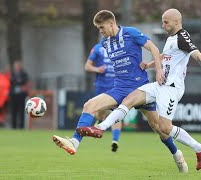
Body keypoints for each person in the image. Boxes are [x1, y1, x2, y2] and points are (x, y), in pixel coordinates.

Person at [77, 9, 201, 171]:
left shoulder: (183, 37)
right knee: (129, 99)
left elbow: (197, 54)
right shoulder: (171, 39)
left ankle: (200, 149)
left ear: (176, 22)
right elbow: (165, 56)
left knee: (165, 128)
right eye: (162, 22)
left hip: (171, 88)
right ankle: (100, 127)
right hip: (159, 85)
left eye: (166, 22)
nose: (163, 25)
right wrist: (149, 65)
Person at [52, 10, 188, 173]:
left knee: (160, 128)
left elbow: (154, 48)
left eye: (101, 27)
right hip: (120, 88)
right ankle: (74, 142)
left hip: (141, 89)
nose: (100, 31)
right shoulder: (104, 43)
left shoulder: (130, 33)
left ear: (111, 23)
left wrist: (158, 71)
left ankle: (177, 155)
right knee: (89, 105)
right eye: (98, 28)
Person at [84, 42, 122, 152]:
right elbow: (87, 66)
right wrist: (97, 69)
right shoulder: (98, 48)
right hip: (101, 87)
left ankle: (115, 141)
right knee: (100, 112)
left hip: (116, 87)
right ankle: (99, 122)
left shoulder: (120, 48)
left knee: (117, 113)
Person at [10, 60, 29, 129]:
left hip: (21, 95)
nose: (17, 67)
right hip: (14, 95)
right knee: (13, 111)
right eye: (15, 66)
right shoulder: (12, 74)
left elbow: (26, 82)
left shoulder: (24, 74)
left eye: (18, 66)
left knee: (21, 112)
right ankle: (13, 127)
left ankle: (21, 127)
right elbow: (10, 82)